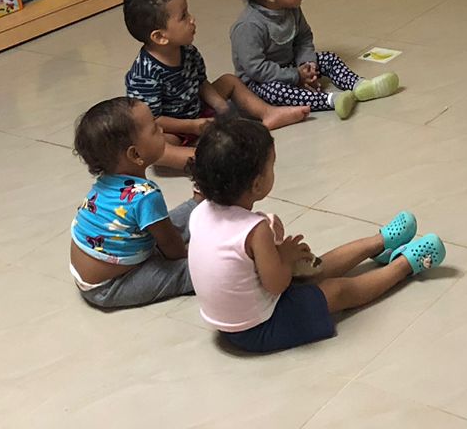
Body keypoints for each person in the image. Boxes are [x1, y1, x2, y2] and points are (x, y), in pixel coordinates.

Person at [188, 117, 446, 353]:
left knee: (314, 269)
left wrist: (279, 254)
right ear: (256, 184)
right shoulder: (255, 230)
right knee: (337, 290)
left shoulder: (199, 212)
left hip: (236, 316)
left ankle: (380, 242)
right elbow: (277, 285)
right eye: (272, 166)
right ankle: (405, 264)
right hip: (256, 329)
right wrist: (286, 258)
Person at [123, 0, 308, 171]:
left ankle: (268, 113)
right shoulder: (144, 75)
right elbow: (153, 119)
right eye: (184, 16)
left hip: (197, 109)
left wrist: (220, 105)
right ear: (160, 37)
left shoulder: (188, 50)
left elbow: (201, 83)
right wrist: (191, 126)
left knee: (229, 80)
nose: (192, 19)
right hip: (173, 128)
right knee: (157, 151)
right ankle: (206, 160)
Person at [229, 0, 398, 119]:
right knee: (275, 91)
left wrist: (308, 66)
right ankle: (331, 100)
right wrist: (296, 76)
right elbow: (256, 69)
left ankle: (360, 85)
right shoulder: (248, 26)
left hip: (290, 66)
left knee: (329, 58)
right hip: (260, 82)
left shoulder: (291, 9)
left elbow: (303, 38)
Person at [68, 96, 196, 309]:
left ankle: (197, 206)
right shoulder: (145, 195)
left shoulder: (108, 181)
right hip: (110, 286)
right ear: (135, 154)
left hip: (101, 265)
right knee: (191, 272)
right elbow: (171, 248)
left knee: (161, 222)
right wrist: (191, 253)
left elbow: (161, 227)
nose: (161, 130)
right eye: (154, 129)